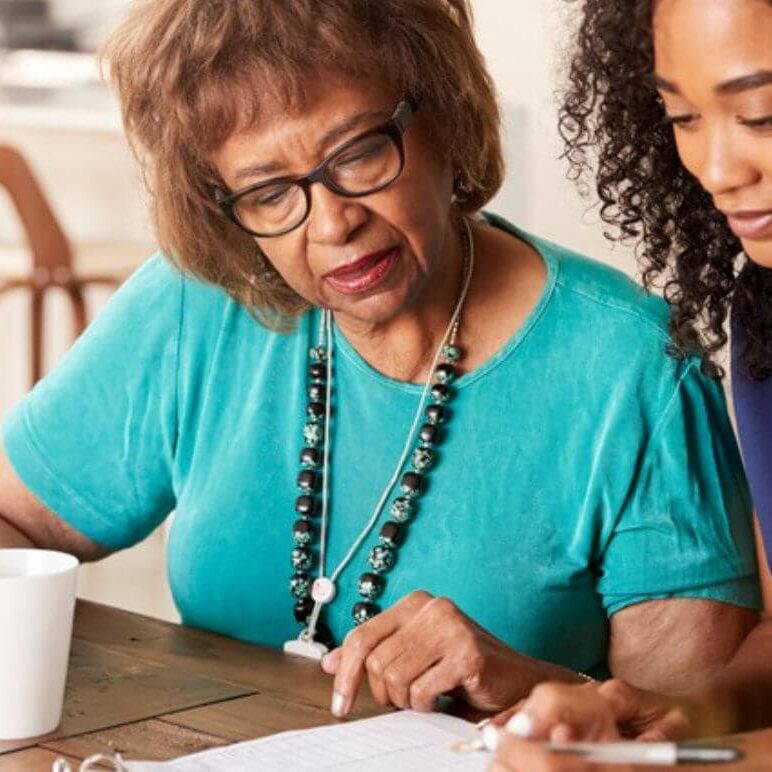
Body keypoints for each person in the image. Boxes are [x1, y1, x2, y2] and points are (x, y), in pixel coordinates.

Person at [0, 0, 760, 723]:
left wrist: (522, 688)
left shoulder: (634, 368)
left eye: (360, 153)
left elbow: (689, 735)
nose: (333, 223)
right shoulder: (198, 304)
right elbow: (13, 519)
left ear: (443, 115)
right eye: (269, 193)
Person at [491, 0, 772, 768]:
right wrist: (673, 719)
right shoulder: (765, 316)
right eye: (682, 117)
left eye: (760, 115)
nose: (718, 169)